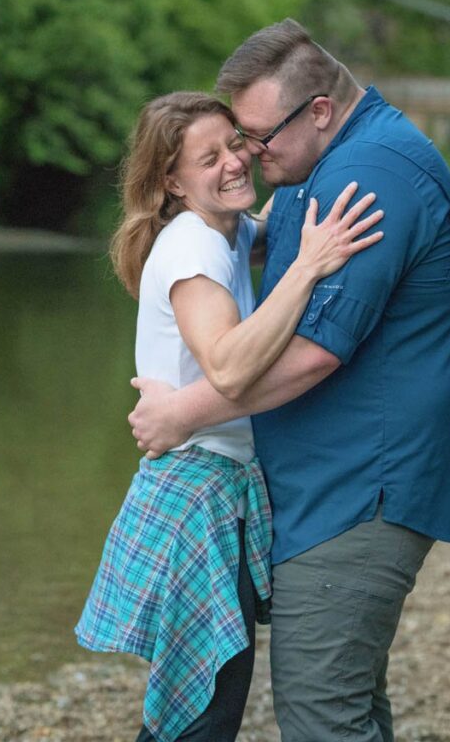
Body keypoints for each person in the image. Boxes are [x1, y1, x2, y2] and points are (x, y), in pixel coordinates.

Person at [129, 21, 450, 742]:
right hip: (331, 491)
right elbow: (248, 246)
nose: (250, 154)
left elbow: (317, 353)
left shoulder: (368, 176)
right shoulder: (314, 166)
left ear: (318, 110)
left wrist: (182, 413)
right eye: (234, 141)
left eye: (256, 136)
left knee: (323, 716)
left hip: (360, 494)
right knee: (347, 708)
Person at [75, 90, 384, 742]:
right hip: (195, 498)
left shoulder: (224, 230)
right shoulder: (191, 250)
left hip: (216, 489)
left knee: (204, 705)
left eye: (235, 144)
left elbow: (269, 217)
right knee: (200, 715)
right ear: (171, 181)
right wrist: (307, 267)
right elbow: (230, 368)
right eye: (207, 157)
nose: (233, 163)